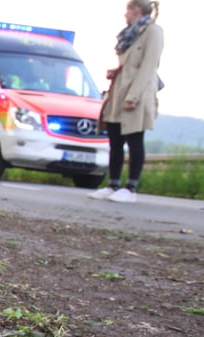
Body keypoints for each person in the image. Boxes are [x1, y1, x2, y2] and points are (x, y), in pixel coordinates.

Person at [88, 0, 164, 203]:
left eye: (127, 11)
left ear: (136, 10)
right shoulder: (129, 33)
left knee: (134, 139)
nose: (125, 16)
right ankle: (113, 184)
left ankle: (131, 187)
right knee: (115, 139)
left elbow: (148, 66)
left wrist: (134, 96)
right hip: (118, 91)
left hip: (136, 93)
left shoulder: (153, 32)